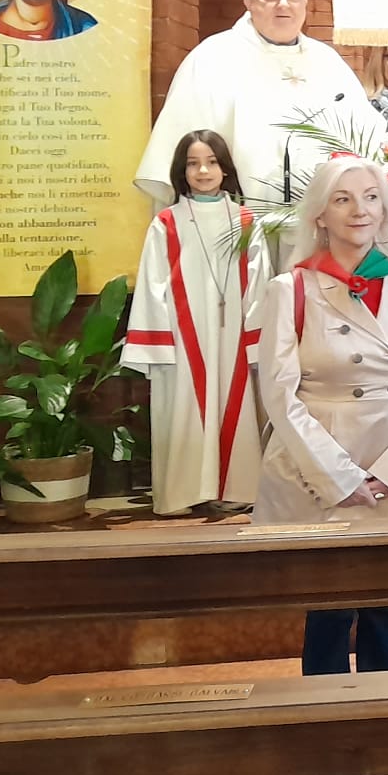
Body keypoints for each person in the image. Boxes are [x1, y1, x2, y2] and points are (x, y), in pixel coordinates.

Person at [254, 156, 388, 675]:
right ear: (320, 214)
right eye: (342, 199)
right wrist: (339, 477)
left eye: (370, 198)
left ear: (385, 209)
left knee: (387, 603)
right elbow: (279, 394)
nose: (359, 210)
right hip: (322, 463)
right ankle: (324, 709)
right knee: (329, 603)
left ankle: (386, 705)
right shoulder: (292, 289)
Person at [136, 0, 384, 206]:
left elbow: (366, 140)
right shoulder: (212, 58)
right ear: (249, 3)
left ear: (305, 4)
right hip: (237, 218)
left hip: (328, 218)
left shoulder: (328, 61)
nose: (283, 4)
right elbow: (184, 148)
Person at [120, 130, 268, 515]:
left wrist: (257, 340)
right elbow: (152, 284)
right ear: (181, 171)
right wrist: (157, 345)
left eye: (211, 162)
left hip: (233, 332)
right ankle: (180, 493)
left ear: (225, 168)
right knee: (182, 409)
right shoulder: (167, 223)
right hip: (181, 337)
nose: (203, 171)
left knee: (235, 405)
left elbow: (259, 282)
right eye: (193, 163)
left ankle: (238, 488)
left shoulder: (246, 222)